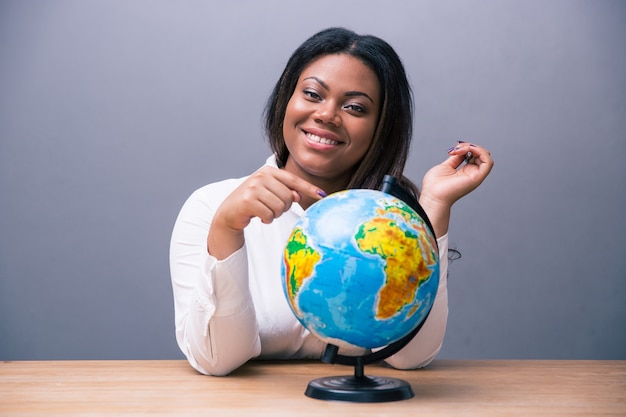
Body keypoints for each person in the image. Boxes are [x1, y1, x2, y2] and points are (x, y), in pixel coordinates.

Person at [169, 27, 493, 376]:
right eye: (312, 94)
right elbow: (216, 360)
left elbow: (410, 357)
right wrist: (226, 230)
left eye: (355, 107)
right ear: (285, 100)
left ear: (381, 127)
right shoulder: (211, 206)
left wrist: (432, 207)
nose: (327, 115)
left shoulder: (392, 220)